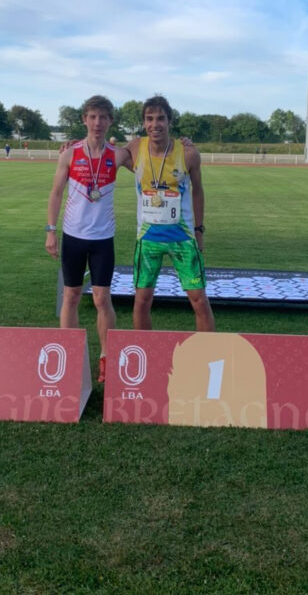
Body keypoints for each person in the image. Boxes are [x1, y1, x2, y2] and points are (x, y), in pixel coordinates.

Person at [45, 95, 127, 383]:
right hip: (73, 236)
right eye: (92, 117)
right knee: (71, 296)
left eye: (103, 117)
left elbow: (148, 151)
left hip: (103, 238)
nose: (97, 123)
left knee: (102, 299)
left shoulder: (118, 155)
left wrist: (184, 144)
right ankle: (68, 356)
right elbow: (56, 193)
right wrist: (50, 230)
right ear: (84, 119)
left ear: (110, 121)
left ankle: (106, 356)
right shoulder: (69, 154)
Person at [124, 95, 214, 332]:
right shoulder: (135, 148)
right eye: (149, 119)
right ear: (144, 123)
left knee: (199, 300)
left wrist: (199, 230)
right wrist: (76, 144)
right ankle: (143, 355)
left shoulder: (188, 153)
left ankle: (209, 355)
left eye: (161, 118)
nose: (155, 124)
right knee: (142, 301)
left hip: (182, 239)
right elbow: (104, 155)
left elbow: (198, 192)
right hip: (148, 239)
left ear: (170, 121)